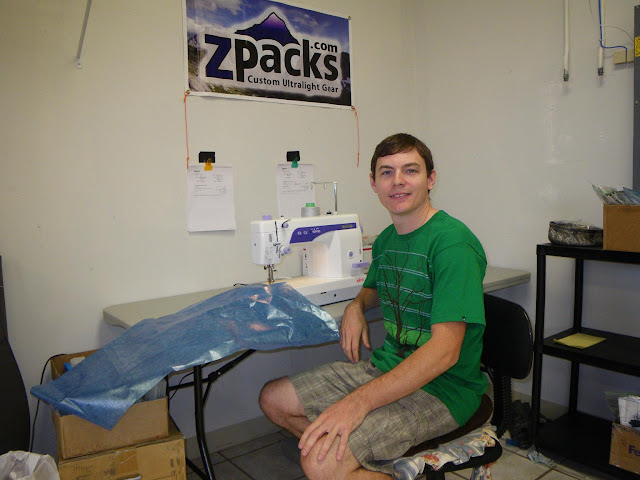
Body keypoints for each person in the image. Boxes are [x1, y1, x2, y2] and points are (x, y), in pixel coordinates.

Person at [259, 133, 488, 479]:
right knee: (273, 399)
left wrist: (358, 404)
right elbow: (374, 288)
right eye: (386, 172)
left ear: (431, 179)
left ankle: (350, 462)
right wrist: (356, 306)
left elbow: (445, 352)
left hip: (443, 389)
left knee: (319, 465)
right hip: (387, 368)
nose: (398, 181)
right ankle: (366, 462)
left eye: (410, 170)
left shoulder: (452, 245)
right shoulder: (386, 241)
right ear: (373, 183)